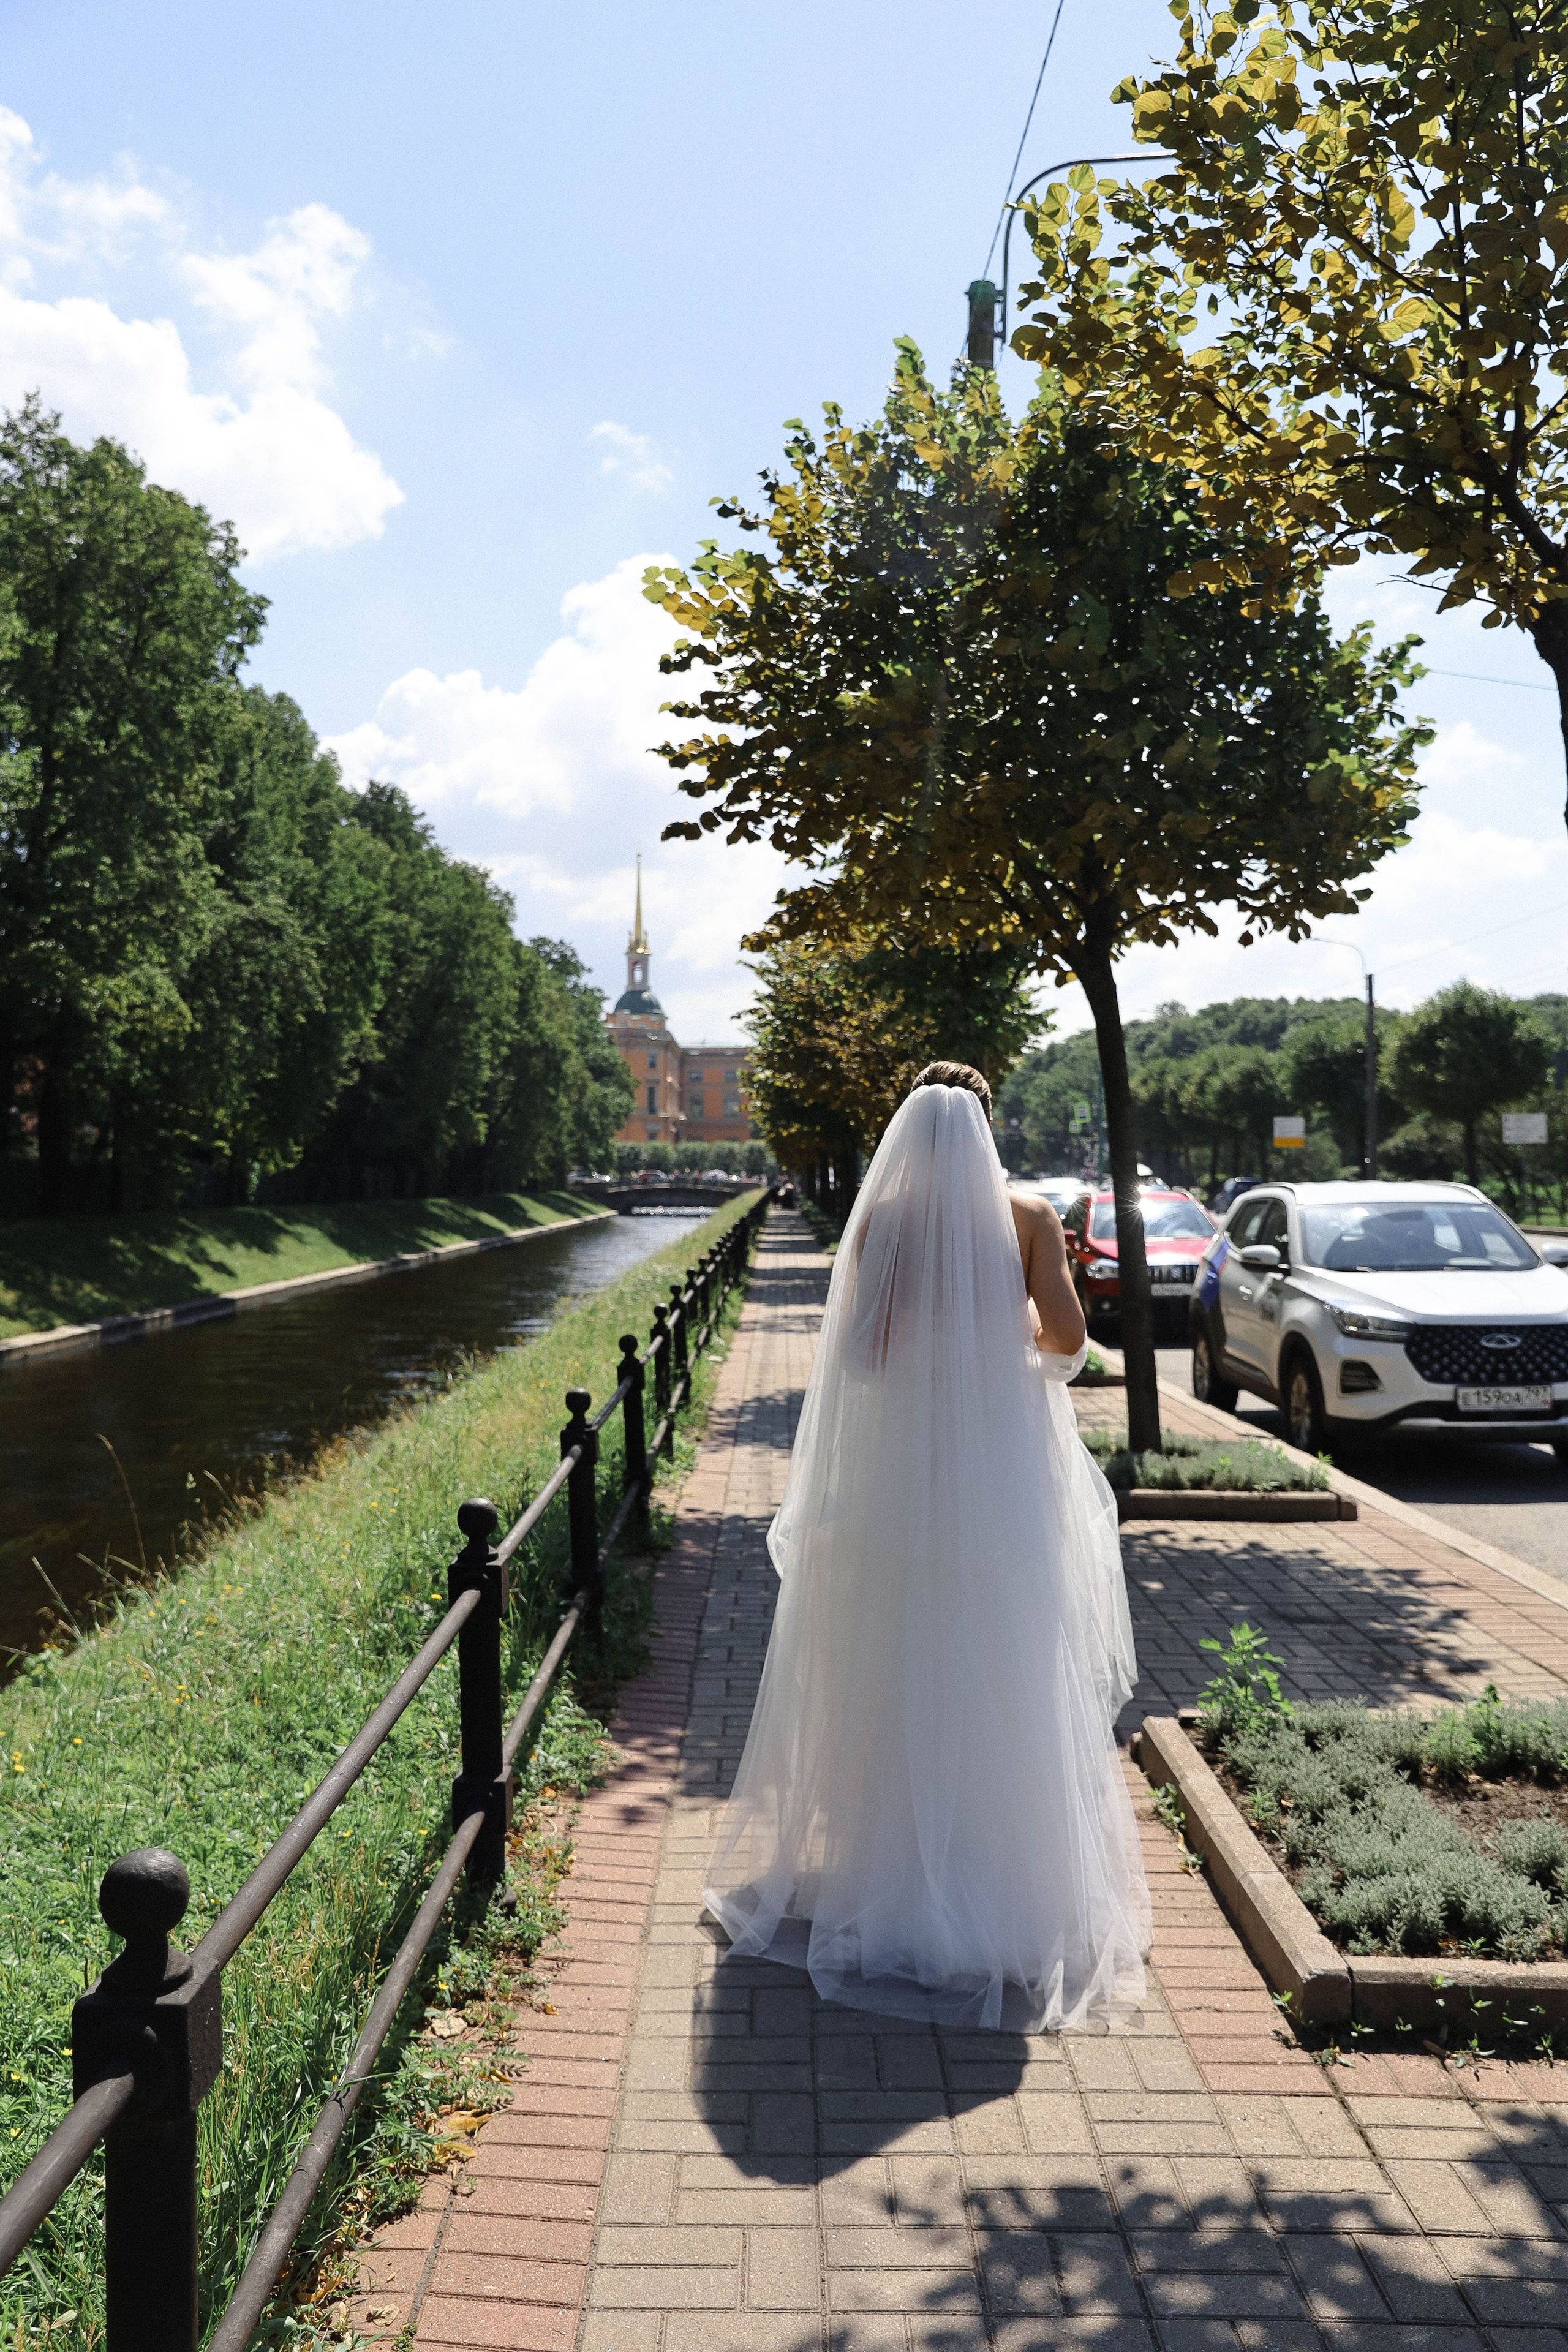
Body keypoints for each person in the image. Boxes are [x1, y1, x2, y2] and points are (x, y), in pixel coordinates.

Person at [703, 1061, 1150, 2033]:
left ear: (908, 1127)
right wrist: (1005, 1349)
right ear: (987, 1126)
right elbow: (1070, 1344)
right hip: (1000, 1471)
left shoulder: (879, 1218)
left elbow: (860, 1356)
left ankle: (889, 1871)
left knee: (896, 1658)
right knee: (1003, 1656)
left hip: (900, 1477)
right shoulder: (1028, 1216)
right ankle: (998, 1882)